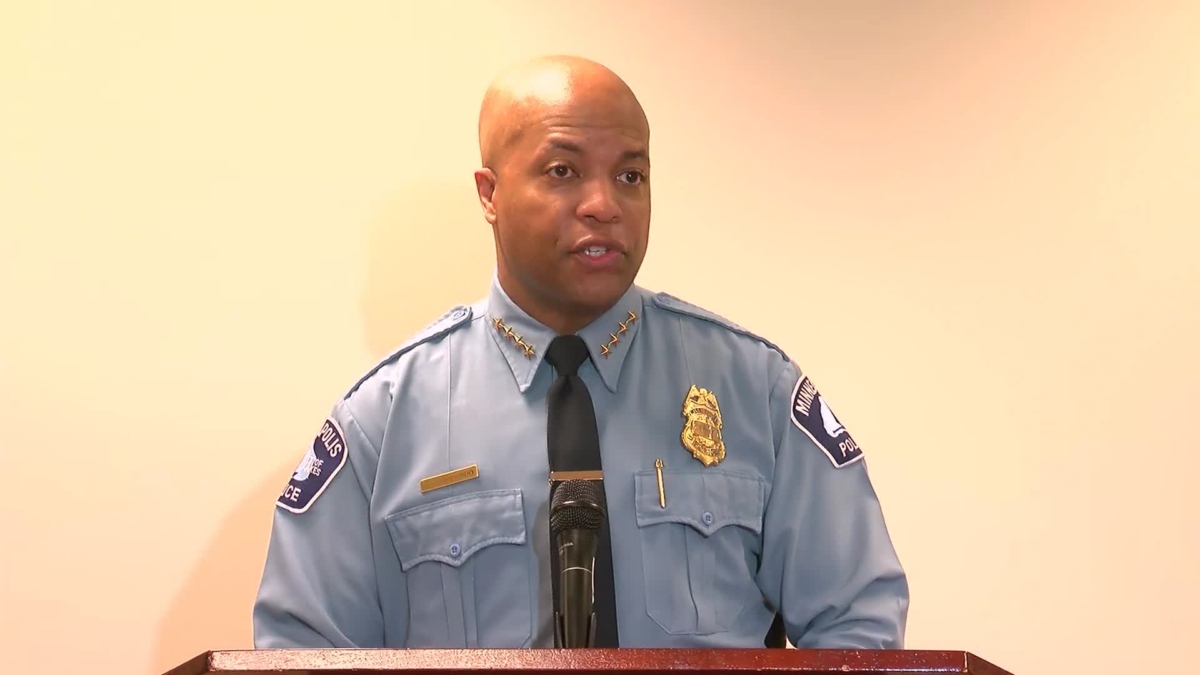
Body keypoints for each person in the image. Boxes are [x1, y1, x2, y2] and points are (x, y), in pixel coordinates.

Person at [252, 55, 909, 650]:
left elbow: (859, 623)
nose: (604, 205)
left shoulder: (753, 389)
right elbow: (303, 650)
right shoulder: (383, 421)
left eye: (631, 174)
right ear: (489, 192)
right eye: (562, 170)